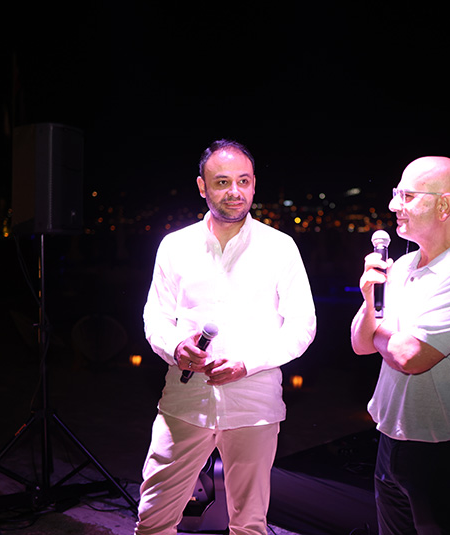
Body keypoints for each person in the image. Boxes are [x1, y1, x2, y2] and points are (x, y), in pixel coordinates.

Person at [135, 139, 317, 535]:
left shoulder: (280, 248)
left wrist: (246, 364)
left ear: (254, 184)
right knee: (153, 519)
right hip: (185, 400)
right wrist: (174, 346)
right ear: (202, 186)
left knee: (249, 524)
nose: (235, 191)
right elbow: (156, 316)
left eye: (243, 181)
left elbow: (302, 326)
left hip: (254, 404)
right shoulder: (175, 245)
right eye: (222, 182)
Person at [350, 156, 450, 535]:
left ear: (444, 205)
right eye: (395, 193)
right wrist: (370, 299)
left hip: (447, 448)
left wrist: (381, 330)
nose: (393, 205)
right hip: (392, 437)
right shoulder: (401, 266)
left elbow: (410, 356)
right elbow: (359, 344)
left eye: (407, 196)